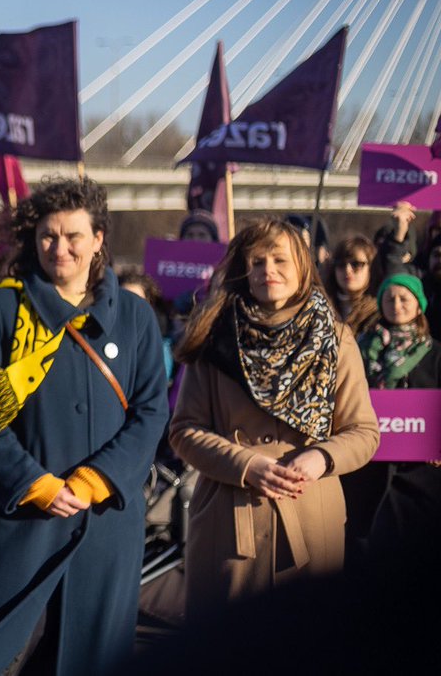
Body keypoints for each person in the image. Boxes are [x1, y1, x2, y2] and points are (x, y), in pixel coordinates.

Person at [0, 176, 169, 676]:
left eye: (74, 236)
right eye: (48, 235)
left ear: (98, 239)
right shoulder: (1, 308)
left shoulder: (136, 316)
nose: (60, 248)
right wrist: (31, 483)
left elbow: (151, 411)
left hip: (105, 527)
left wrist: (98, 479)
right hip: (22, 523)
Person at [169, 218, 379, 619]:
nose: (269, 271)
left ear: (302, 266)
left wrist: (321, 457)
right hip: (230, 524)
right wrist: (246, 465)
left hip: (310, 517)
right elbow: (184, 430)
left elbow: (364, 431)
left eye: (280, 260)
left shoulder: (335, 337)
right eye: (258, 261)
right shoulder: (214, 336)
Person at [343, 273, 441, 554]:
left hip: (420, 474)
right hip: (366, 469)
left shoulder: (435, 354)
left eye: (404, 298)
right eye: (389, 298)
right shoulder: (359, 350)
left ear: (419, 305)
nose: (396, 304)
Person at [323, 235, 379, 336]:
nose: (347, 270)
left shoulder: (378, 313)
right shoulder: (322, 307)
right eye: (341, 264)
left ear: (372, 267)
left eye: (356, 264)